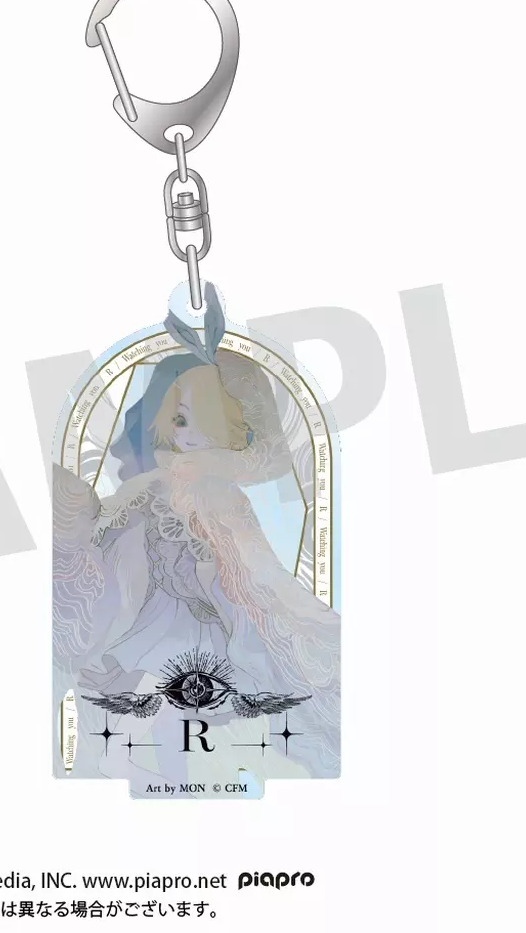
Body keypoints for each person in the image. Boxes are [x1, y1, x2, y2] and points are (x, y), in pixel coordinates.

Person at [52, 286, 339, 792]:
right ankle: (129, 762)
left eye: (198, 422)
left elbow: (251, 561)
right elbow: (120, 526)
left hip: (205, 615)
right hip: (155, 608)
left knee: (179, 699)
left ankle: (158, 770)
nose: (183, 434)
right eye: (178, 419)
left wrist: (246, 594)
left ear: (229, 430)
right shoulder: (159, 482)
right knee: (147, 689)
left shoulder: (219, 493)